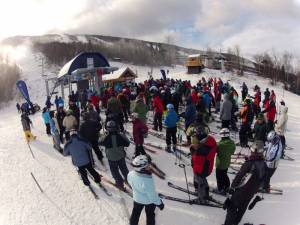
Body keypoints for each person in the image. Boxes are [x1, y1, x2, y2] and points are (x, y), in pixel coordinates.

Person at [223, 143, 266, 225]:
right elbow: (264, 180)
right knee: (242, 209)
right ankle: (235, 223)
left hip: (241, 191)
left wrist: (232, 187)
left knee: (232, 207)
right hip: (251, 192)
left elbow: (239, 176)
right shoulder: (263, 164)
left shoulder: (249, 163)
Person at [127, 155, 164, 225]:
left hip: (137, 199)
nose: (150, 167)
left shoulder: (130, 174)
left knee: (135, 213)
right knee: (150, 215)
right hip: (149, 202)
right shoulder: (147, 181)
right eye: (147, 166)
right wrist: (160, 203)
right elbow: (153, 196)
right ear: (141, 168)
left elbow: (130, 183)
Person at [99, 121, 130, 190]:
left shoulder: (106, 137)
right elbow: (127, 143)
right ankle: (129, 180)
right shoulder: (120, 135)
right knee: (124, 169)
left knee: (115, 171)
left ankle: (120, 184)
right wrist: (123, 135)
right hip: (121, 156)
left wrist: (104, 135)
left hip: (111, 158)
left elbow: (99, 142)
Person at [190, 127, 217, 203]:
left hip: (202, 167)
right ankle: (206, 194)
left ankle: (201, 198)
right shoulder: (210, 141)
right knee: (203, 179)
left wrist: (192, 149)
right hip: (206, 166)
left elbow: (197, 154)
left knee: (200, 181)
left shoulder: (204, 148)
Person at [215, 128, 236, 194]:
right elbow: (232, 152)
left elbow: (215, 150)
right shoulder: (232, 143)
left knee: (219, 176)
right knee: (224, 174)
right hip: (227, 162)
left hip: (220, 163)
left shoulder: (220, 145)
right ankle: (227, 186)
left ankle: (220, 189)